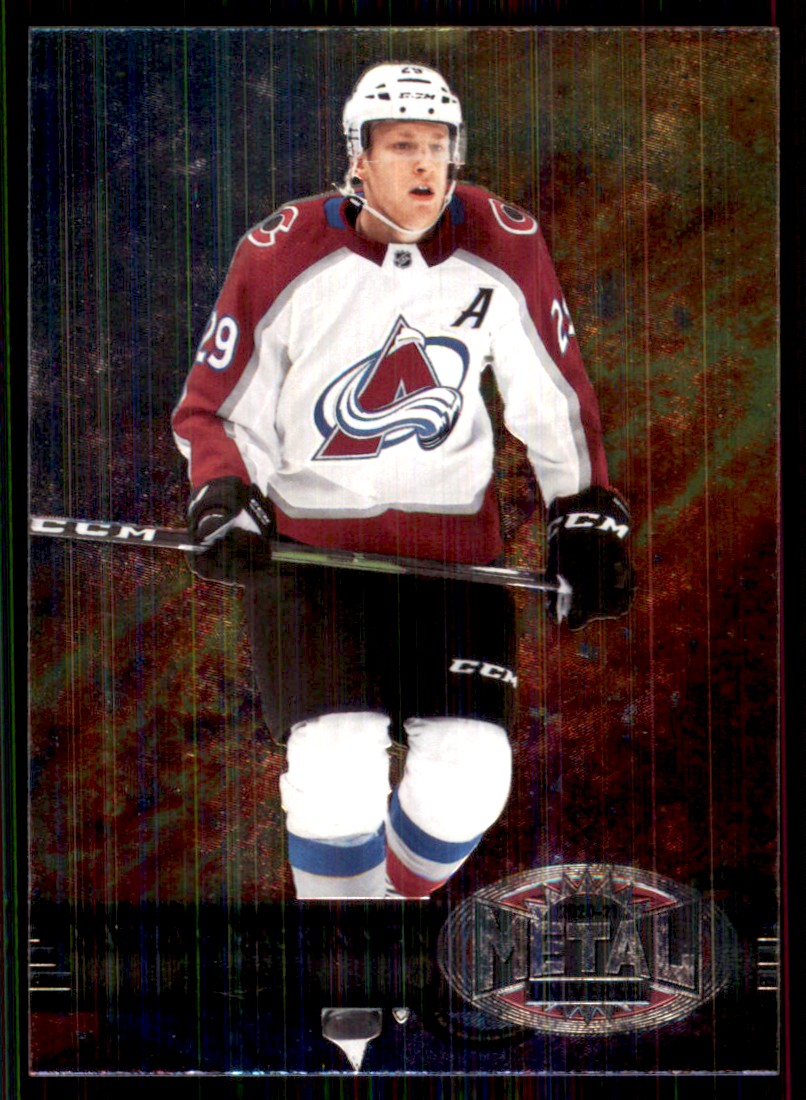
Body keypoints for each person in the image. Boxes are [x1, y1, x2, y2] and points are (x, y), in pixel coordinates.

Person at [172, 62, 634, 900]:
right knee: (335, 765)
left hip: (453, 561)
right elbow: (218, 405)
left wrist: (582, 512)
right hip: (313, 558)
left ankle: (387, 910)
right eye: (401, 146)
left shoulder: (505, 241)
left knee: (470, 780)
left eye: (437, 146)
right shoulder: (281, 249)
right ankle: (346, 948)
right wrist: (226, 493)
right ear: (357, 159)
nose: (425, 164)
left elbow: (554, 395)